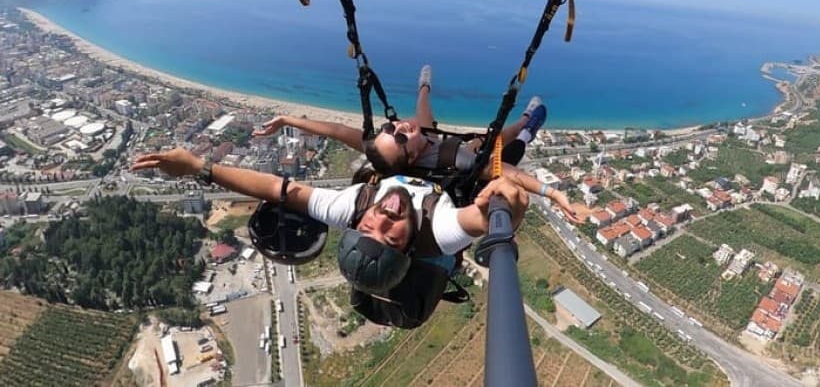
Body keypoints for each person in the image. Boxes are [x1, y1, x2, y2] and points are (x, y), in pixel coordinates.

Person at [131, 147, 533, 328]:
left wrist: (197, 167)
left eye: (366, 228)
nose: (383, 216)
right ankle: (531, 124)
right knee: (506, 147)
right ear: (409, 247)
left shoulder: (349, 206)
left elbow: (275, 188)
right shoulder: (440, 232)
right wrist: (505, 208)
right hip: (437, 220)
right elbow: (485, 220)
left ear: (354, 225)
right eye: (390, 238)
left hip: (411, 178)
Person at [253, 65, 547, 178]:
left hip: (431, 140)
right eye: (400, 137)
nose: (396, 127)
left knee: (423, 107)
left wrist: (285, 119)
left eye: (388, 128)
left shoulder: (383, 150)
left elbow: (337, 131)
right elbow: (507, 172)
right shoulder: (454, 160)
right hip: (456, 156)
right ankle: (526, 125)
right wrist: (549, 191)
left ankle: (424, 87)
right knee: (492, 142)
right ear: (411, 155)